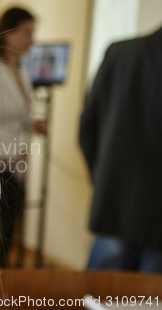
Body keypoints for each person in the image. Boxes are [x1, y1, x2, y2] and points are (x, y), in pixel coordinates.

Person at [80, 26, 162, 273]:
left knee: (101, 298)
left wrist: (106, 180)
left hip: (114, 202)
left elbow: (87, 128)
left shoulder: (119, 53)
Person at [0, 7, 46, 268]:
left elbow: (15, 113)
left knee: (9, 232)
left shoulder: (22, 71)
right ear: (8, 33)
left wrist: (31, 124)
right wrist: (9, 149)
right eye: (27, 32)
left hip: (16, 164)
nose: (31, 40)